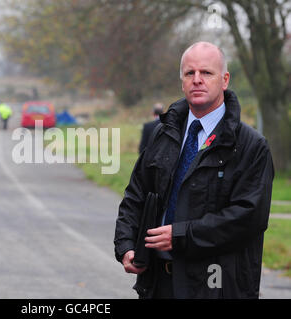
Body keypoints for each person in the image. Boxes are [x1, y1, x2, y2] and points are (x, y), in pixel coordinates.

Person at [114, 41, 274, 299]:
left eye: (206, 73)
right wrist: (126, 245)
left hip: (216, 287)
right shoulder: (161, 134)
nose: (197, 80)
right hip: (158, 283)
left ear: (224, 80)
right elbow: (136, 196)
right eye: (190, 73)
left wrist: (180, 237)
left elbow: (248, 218)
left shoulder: (250, 146)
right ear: (182, 81)